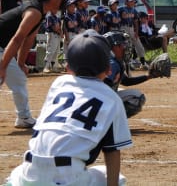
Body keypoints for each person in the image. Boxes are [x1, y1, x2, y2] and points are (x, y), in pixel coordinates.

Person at [6, 29, 132, 186]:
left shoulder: (59, 84)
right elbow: (112, 150)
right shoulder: (112, 98)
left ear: (67, 67)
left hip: (30, 171)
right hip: (69, 176)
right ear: (108, 69)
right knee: (115, 178)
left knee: (15, 175)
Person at [0, 0, 66, 128]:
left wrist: (21, 63)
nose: (62, 2)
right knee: (11, 80)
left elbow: (28, 39)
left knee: (19, 80)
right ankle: (23, 117)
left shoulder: (40, 12)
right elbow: (17, 38)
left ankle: (23, 117)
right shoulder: (34, 11)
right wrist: (3, 67)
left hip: (2, 48)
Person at [103, 30, 171, 118]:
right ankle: (109, 121)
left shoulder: (110, 59)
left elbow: (126, 81)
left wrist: (149, 76)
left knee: (118, 89)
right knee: (137, 98)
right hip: (100, 99)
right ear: (113, 47)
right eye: (122, 45)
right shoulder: (112, 63)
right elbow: (103, 85)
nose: (125, 47)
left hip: (95, 97)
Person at [119, 0, 148, 70]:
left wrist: (136, 32)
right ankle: (128, 64)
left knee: (139, 45)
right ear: (126, 2)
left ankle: (143, 62)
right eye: (130, 1)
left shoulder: (134, 10)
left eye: (133, 1)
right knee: (128, 46)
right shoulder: (121, 9)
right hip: (123, 28)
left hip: (131, 29)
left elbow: (136, 22)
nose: (132, 2)